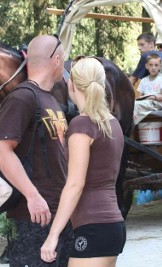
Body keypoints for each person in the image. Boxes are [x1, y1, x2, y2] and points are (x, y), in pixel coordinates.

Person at [0, 34, 72, 267]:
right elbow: (2, 150)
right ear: (56, 60)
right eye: (64, 57)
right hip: (33, 217)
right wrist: (32, 195)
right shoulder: (22, 98)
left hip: (57, 214)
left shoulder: (50, 99)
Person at [40, 57, 126, 266]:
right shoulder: (112, 123)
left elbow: (75, 185)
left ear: (71, 84)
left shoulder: (82, 125)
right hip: (112, 224)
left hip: (93, 227)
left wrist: (53, 235)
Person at [133, 54, 162, 124]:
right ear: (146, 66)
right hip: (145, 103)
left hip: (157, 103)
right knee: (132, 104)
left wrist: (150, 97)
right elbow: (139, 96)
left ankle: (131, 126)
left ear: (160, 66)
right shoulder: (144, 80)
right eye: (151, 65)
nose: (153, 68)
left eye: (156, 65)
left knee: (135, 105)